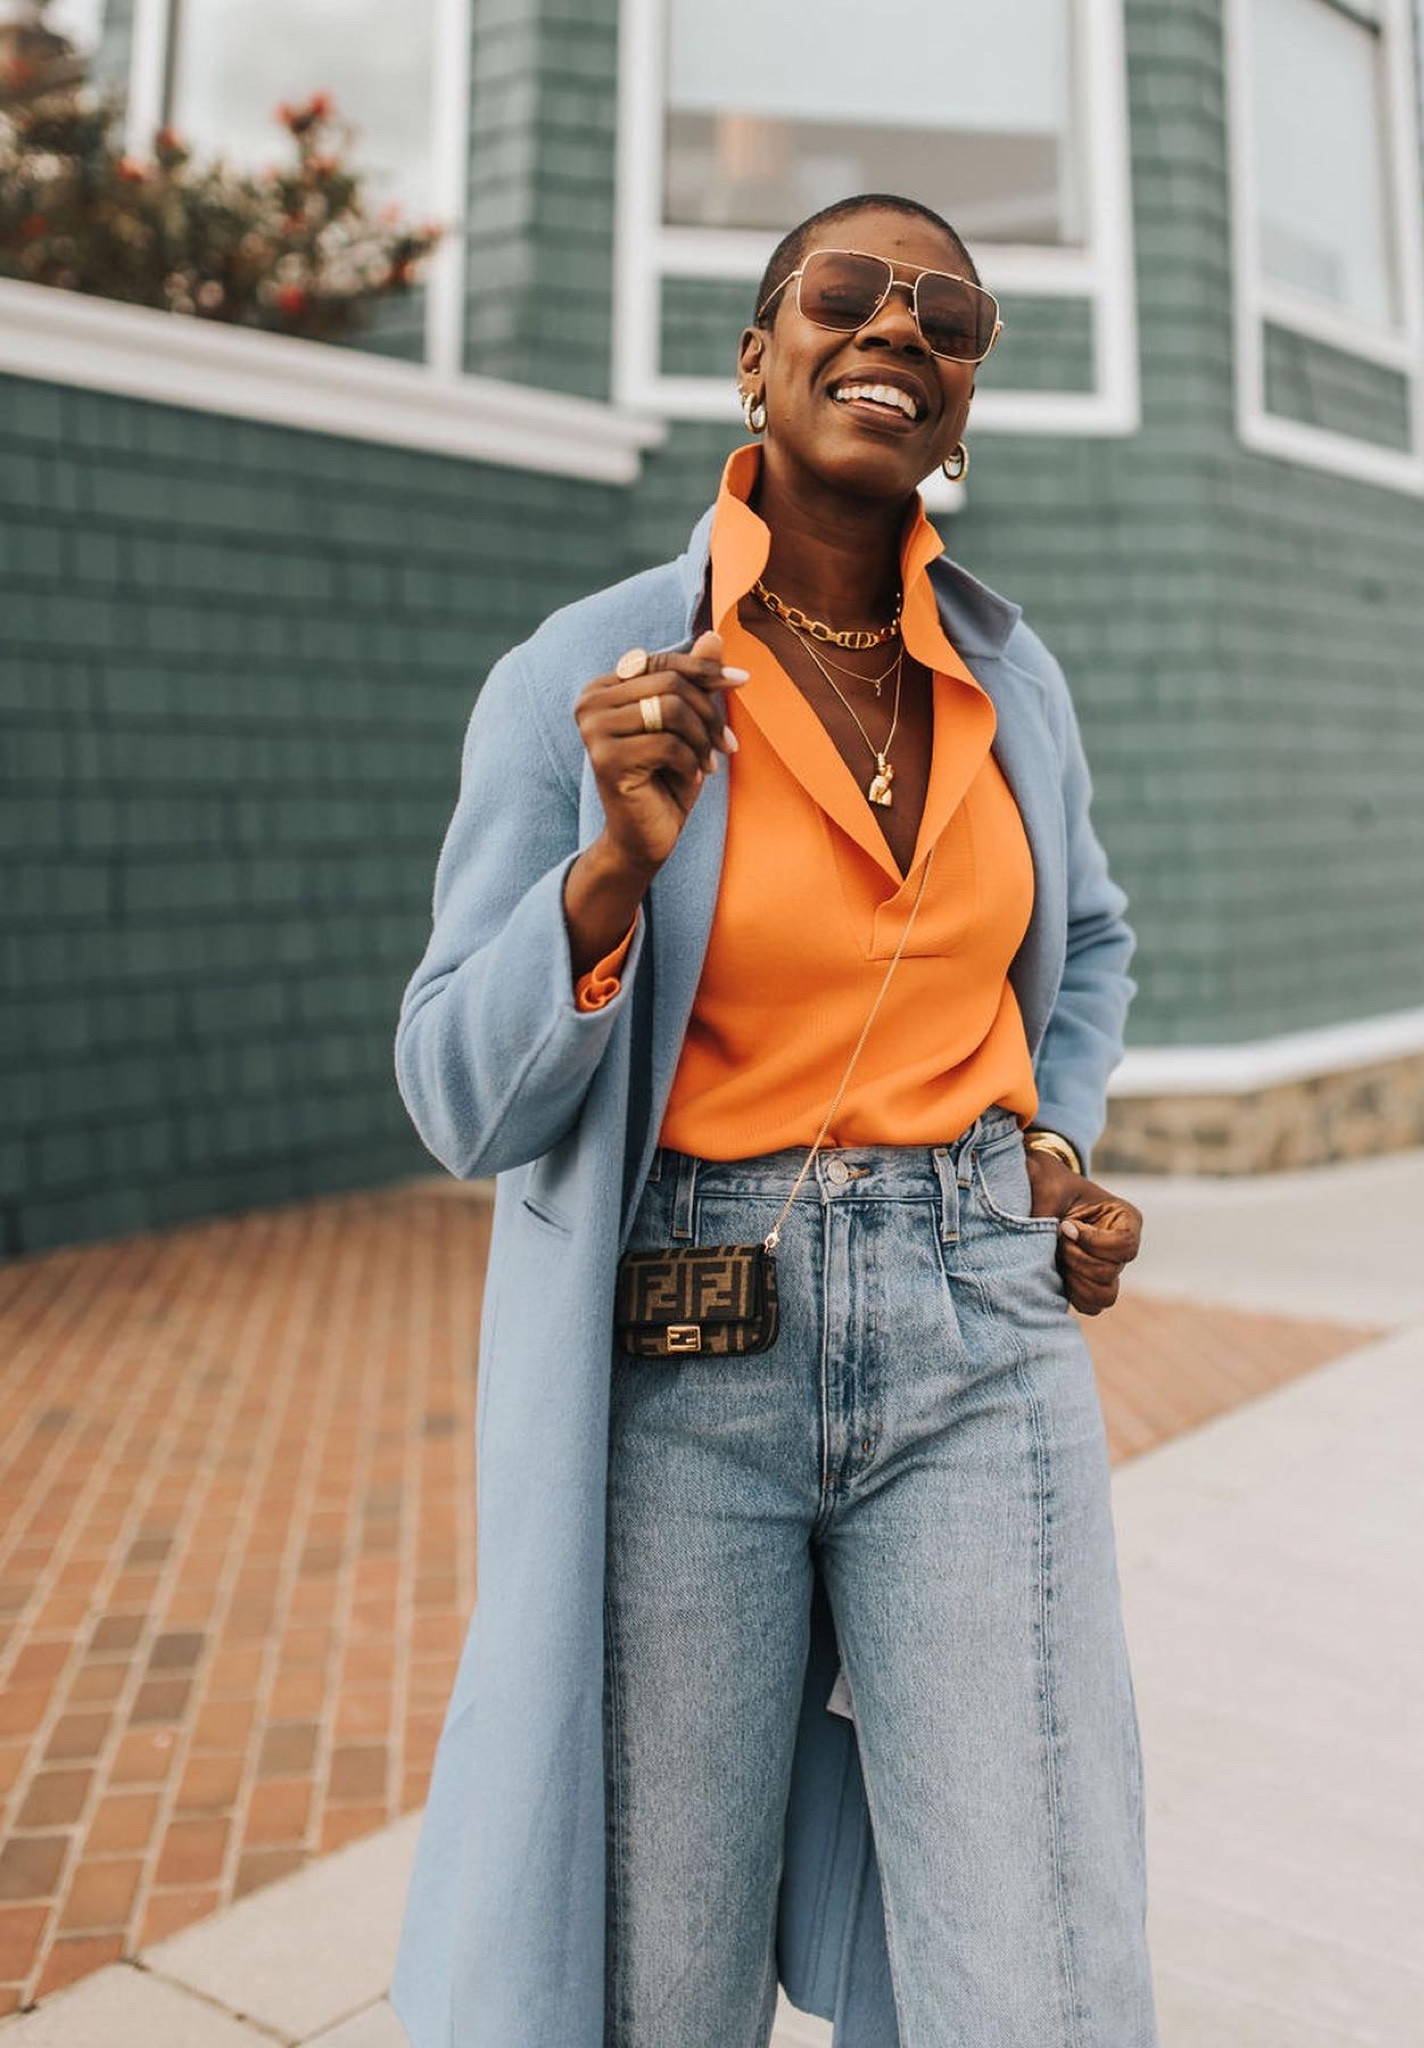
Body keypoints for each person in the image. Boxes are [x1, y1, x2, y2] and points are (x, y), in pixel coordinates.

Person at [389, 192, 1157, 2048]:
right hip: (683, 1358)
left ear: (961, 408)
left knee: (1037, 1952)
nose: (899, 328)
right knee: (664, 1969)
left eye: (949, 316)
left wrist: (1048, 1144)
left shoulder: (1009, 677)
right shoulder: (591, 680)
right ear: (759, 353)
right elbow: (451, 1093)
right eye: (846, 290)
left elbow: (1091, 939)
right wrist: (605, 874)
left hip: (982, 1330)